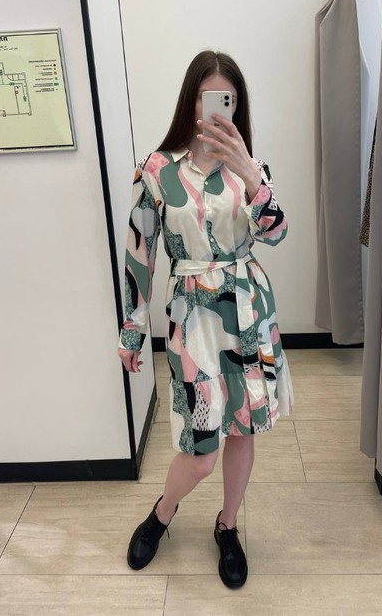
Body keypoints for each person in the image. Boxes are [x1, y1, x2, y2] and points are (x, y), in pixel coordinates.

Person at [118, 50, 293, 589]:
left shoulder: (251, 168)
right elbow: (140, 255)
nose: (216, 109)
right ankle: (163, 512)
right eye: (207, 97)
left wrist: (251, 175)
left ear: (238, 106)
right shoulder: (157, 169)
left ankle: (228, 525)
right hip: (192, 319)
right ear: (189, 100)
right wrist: (131, 330)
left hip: (249, 313)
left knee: (242, 429)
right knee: (200, 452)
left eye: (227, 99)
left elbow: (277, 233)